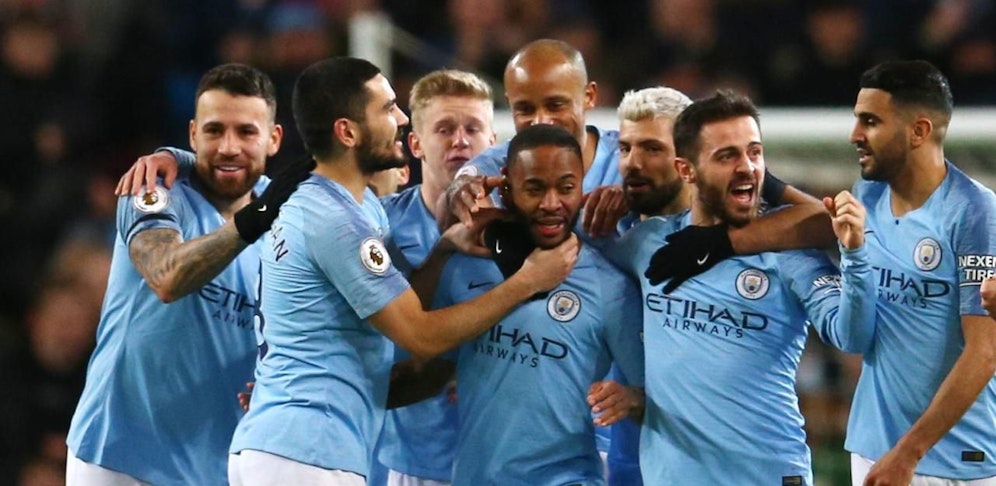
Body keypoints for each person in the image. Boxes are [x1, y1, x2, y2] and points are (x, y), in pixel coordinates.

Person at [225, 57, 577, 486]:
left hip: (294, 446)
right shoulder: (335, 220)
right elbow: (419, 335)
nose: (401, 118)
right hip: (308, 448)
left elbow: (403, 304)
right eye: (388, 108)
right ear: (348, 132)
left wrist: (443, 250)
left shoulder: (355, 207)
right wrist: (527, 282)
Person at [608, 90, 877, 485]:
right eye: (727, 156)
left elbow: (852, 335)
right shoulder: (648, 244)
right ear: (686, 170)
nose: (747, 167)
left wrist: (855, 255)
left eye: (754, 152)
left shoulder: (787, 253)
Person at [66, 63, 312, 485]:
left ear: (273, 139)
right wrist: (251, 221)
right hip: (118, 456)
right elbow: (166, 277)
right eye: (215, 131)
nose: (229, 147)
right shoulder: (154, 187)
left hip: (219, 464)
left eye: (246, 132)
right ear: (193, 134)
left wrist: (281, 381)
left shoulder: (293, 221)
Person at [431, 123, 644, 485]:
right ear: (507, 188)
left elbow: (655, 399)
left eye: (566, 188)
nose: (551, 204)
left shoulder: (611, 286)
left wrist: (634, 399)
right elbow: (424, 356)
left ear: (582, 186)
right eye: (534, 189)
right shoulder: (468, 263)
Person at [843, 60, 996, 486]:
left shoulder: (974, 212)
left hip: (953, 461)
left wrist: (910, 452)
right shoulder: (866, 196)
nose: (855, 134)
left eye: (870, 121)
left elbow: (985, 351)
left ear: (919, 131)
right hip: (873, 451)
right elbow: (857, 335)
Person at [373, 69, 497, 486]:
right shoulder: (378, 227)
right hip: (416, 461)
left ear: (493, 141)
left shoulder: (523, 230)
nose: (460, 141)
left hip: (508, 460)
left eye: (473, 129)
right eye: (444, 129)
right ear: (415, 144)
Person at [446, 38, 627, 239]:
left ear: (589, 96)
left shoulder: (628, 158)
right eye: (525, 109)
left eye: (555, 105)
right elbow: (452, 201)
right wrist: (456, 192)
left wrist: (637, 196)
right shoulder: (493, 167)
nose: (541, 121)